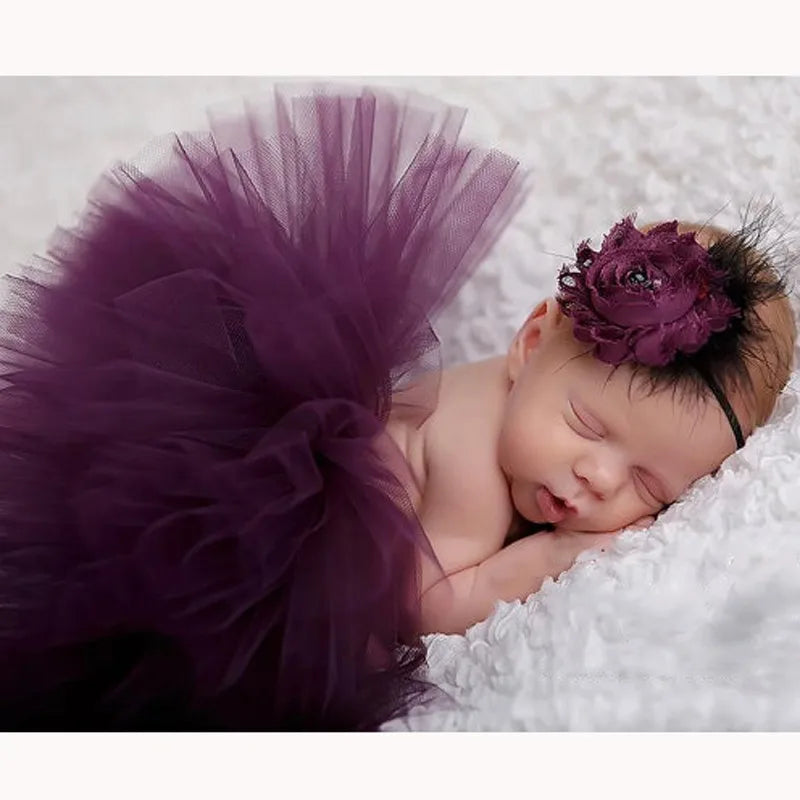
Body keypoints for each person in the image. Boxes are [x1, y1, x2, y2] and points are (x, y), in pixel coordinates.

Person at [0, 84, 793, 731]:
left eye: (650, 487)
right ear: (529, 340)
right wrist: (546, 560)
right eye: (588, 427)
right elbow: (423, 601)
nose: (596, 477)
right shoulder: (478, 477)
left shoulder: (512, 397)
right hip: (252, 542)